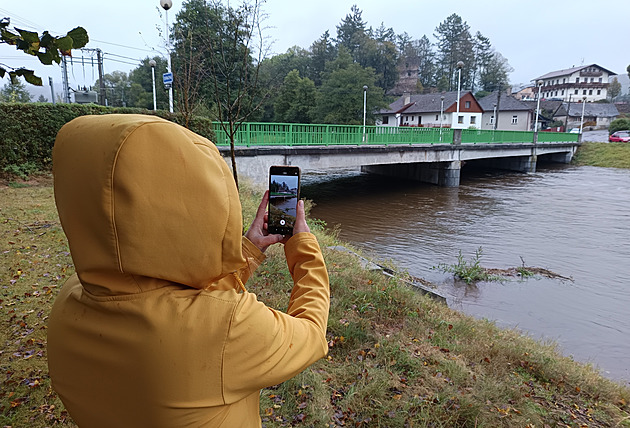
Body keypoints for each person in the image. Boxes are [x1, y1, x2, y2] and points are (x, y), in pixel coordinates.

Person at [47, 114, 330, 427]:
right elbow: (311, 332)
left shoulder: (67, 306)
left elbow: (169, 290)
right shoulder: (228, 326)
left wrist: (249, 248)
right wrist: (301, 245)